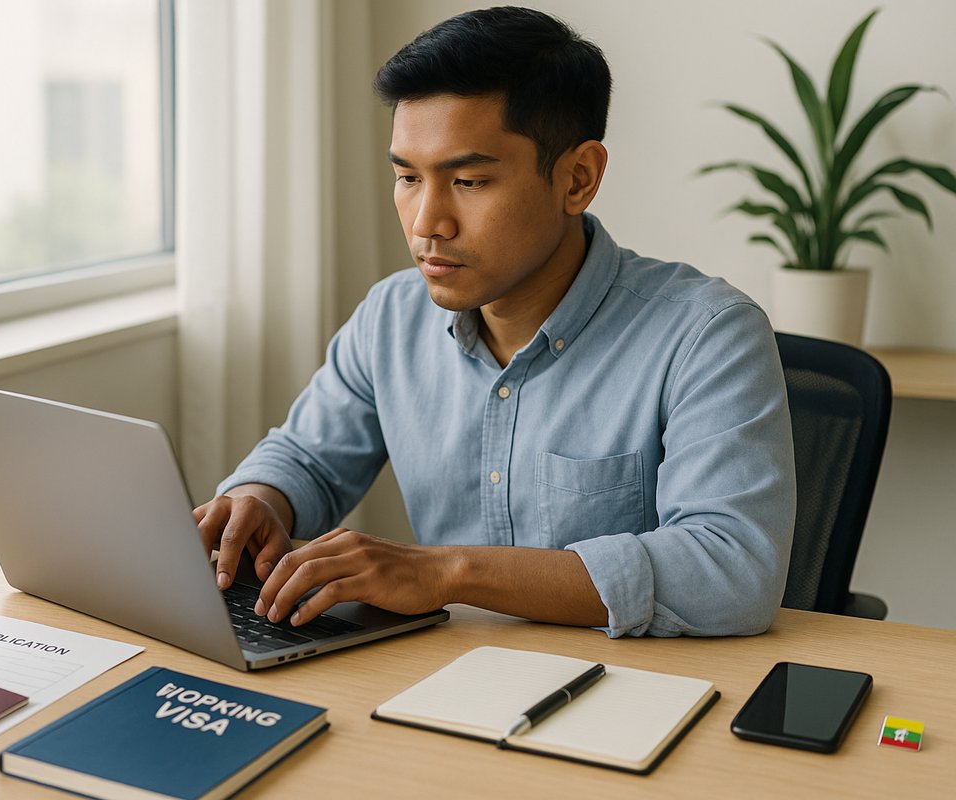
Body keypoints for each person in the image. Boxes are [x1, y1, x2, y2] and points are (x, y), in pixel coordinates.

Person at [194, 6, 795, 638]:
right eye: (406, 177)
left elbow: (733, 569)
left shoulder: (708, 335)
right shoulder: (392, 316)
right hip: (443, 679)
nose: (428, 221)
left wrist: (448, 571)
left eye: (471, 180)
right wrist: (258, 499)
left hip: (630, 695)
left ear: (578, 178)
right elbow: (307, 459)